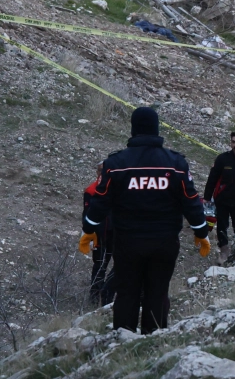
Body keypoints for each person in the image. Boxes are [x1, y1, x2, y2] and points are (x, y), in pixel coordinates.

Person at [80, 106, 212, 333]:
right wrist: (201, 231)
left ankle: (124, 343)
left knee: (127, 293)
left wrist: (89, 227)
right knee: (157, 293)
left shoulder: (116, 164)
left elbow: (100, 200)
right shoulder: (176, 164)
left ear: (133, 130)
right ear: (156, 128)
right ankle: (154, 343)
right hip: (164, 242)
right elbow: (190, 200)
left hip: (128, 242)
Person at [82, 163, 116, 306]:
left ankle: (107, 292)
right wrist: (86, 234)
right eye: (100, 171)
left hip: (116, 233)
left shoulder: (118, 189)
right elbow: (86, 214)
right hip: (99, 234)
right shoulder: (91, 190)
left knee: (120, 263)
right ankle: (95, 299)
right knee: (99, 265)